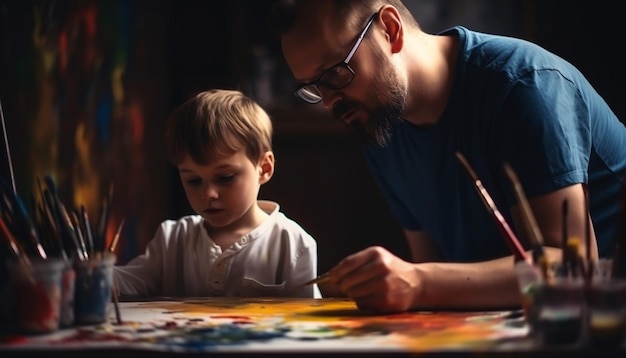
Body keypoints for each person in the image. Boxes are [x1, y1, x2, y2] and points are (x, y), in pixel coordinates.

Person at [269, 0, 626, 313]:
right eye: (313, 88)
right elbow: (438, 270)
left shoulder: (525, 86)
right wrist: (412, 283)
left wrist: (418, 282)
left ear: (390, 30)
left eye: (334, 73)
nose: (329, 101)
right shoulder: (379, 125)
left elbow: (575, 271)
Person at [114, 89, 321, 298]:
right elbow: (132, 281)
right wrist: (90, 275)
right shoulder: (172, 240)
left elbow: (305, 319)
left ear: (264, 168)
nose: (209, 193)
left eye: (225, 177)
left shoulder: (292, 243)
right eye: (193, 180)